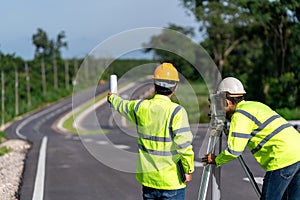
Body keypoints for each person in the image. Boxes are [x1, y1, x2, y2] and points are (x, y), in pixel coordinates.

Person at [202, 77, 300, 200]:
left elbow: (234, 151)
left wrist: (217, 160)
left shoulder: (240, 116)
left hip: (282, 158)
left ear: (226, 102)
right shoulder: (255, 105)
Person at [107, 63, 194, 200]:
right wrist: (188, 170)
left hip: (148, 180)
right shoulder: (177, 112)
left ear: (154, 85)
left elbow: (122, 105)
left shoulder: (140, 107)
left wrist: (112, 98)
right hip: (171, 182)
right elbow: (184, 146)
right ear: (175, 88)